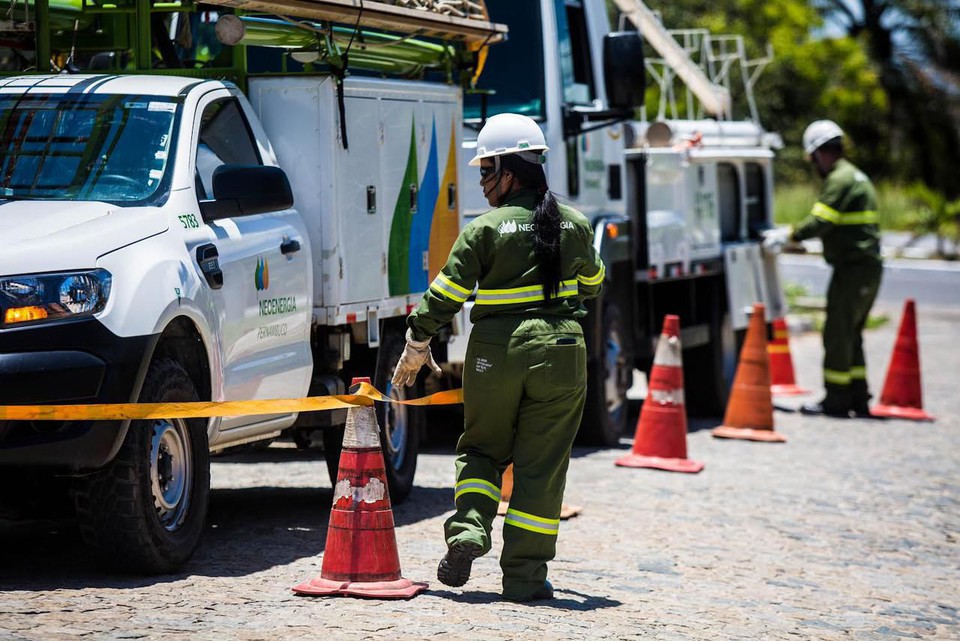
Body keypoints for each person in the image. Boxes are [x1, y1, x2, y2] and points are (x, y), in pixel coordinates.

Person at [391, 113, 605, 602]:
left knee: (481, 450)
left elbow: (446, 292)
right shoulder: (575, 224)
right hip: (562, 352)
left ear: (510, 172)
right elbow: (593, 284)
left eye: (486, 170)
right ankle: (526, 579)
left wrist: (417, 341)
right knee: (541, 466)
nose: (482, 180)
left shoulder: (484, 229)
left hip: (495, 354)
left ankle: (468, 533)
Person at [762, 120, 883, 418]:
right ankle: (857, 395)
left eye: (811, 158)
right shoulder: (854, 176)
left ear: (818, 154)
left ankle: (837, 400)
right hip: (863, 269)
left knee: (837, 333)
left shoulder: (840, 180)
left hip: (853, 269)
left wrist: (786, 235)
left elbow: (820, 221)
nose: (814, 165)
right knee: (851, 334)